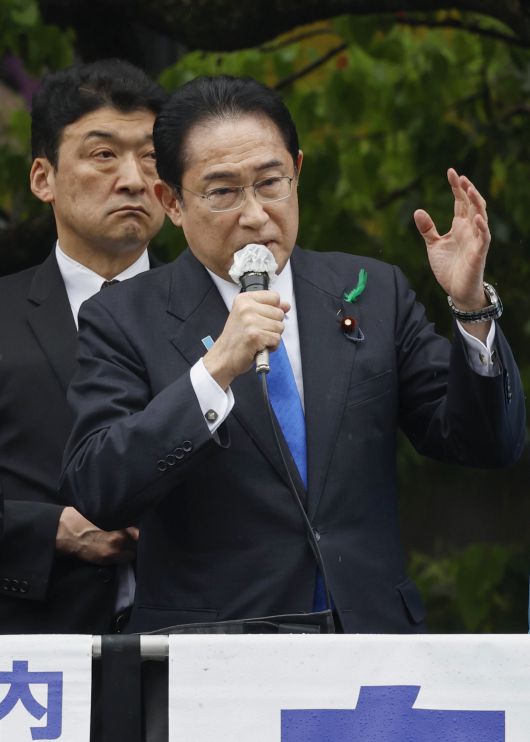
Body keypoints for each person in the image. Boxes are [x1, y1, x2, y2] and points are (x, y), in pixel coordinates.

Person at [61, 75, 525, 634]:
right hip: (215, 651)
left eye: (270, 183)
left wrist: (472, 307)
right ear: (172, 202)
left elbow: (486, 443)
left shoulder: (370, 290)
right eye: (223, 192)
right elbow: (98, 489)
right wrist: (214, 373)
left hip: (369, 639)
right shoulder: (124, 316)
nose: (255, 215)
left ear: (297, 172)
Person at [0, 59, 167, 633]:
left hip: (197, 652)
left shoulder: (225, 318)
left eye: (151, 157)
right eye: (103, 154)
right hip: (32, 650)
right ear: (42, 178)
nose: (134, 180)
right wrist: (48, 530)